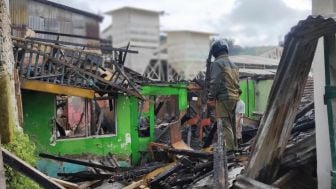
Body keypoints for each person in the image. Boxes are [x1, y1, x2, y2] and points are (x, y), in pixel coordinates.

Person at [207, 39, 240, 151]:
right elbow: (237, 83)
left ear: (215, 51)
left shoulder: (217, 63)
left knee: (225, 124)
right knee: (232, 124)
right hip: (234, 98)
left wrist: (211, 96)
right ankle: (235, 148)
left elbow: (215, 82)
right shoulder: (234, 65)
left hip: (224, 98)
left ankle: (230, 151)